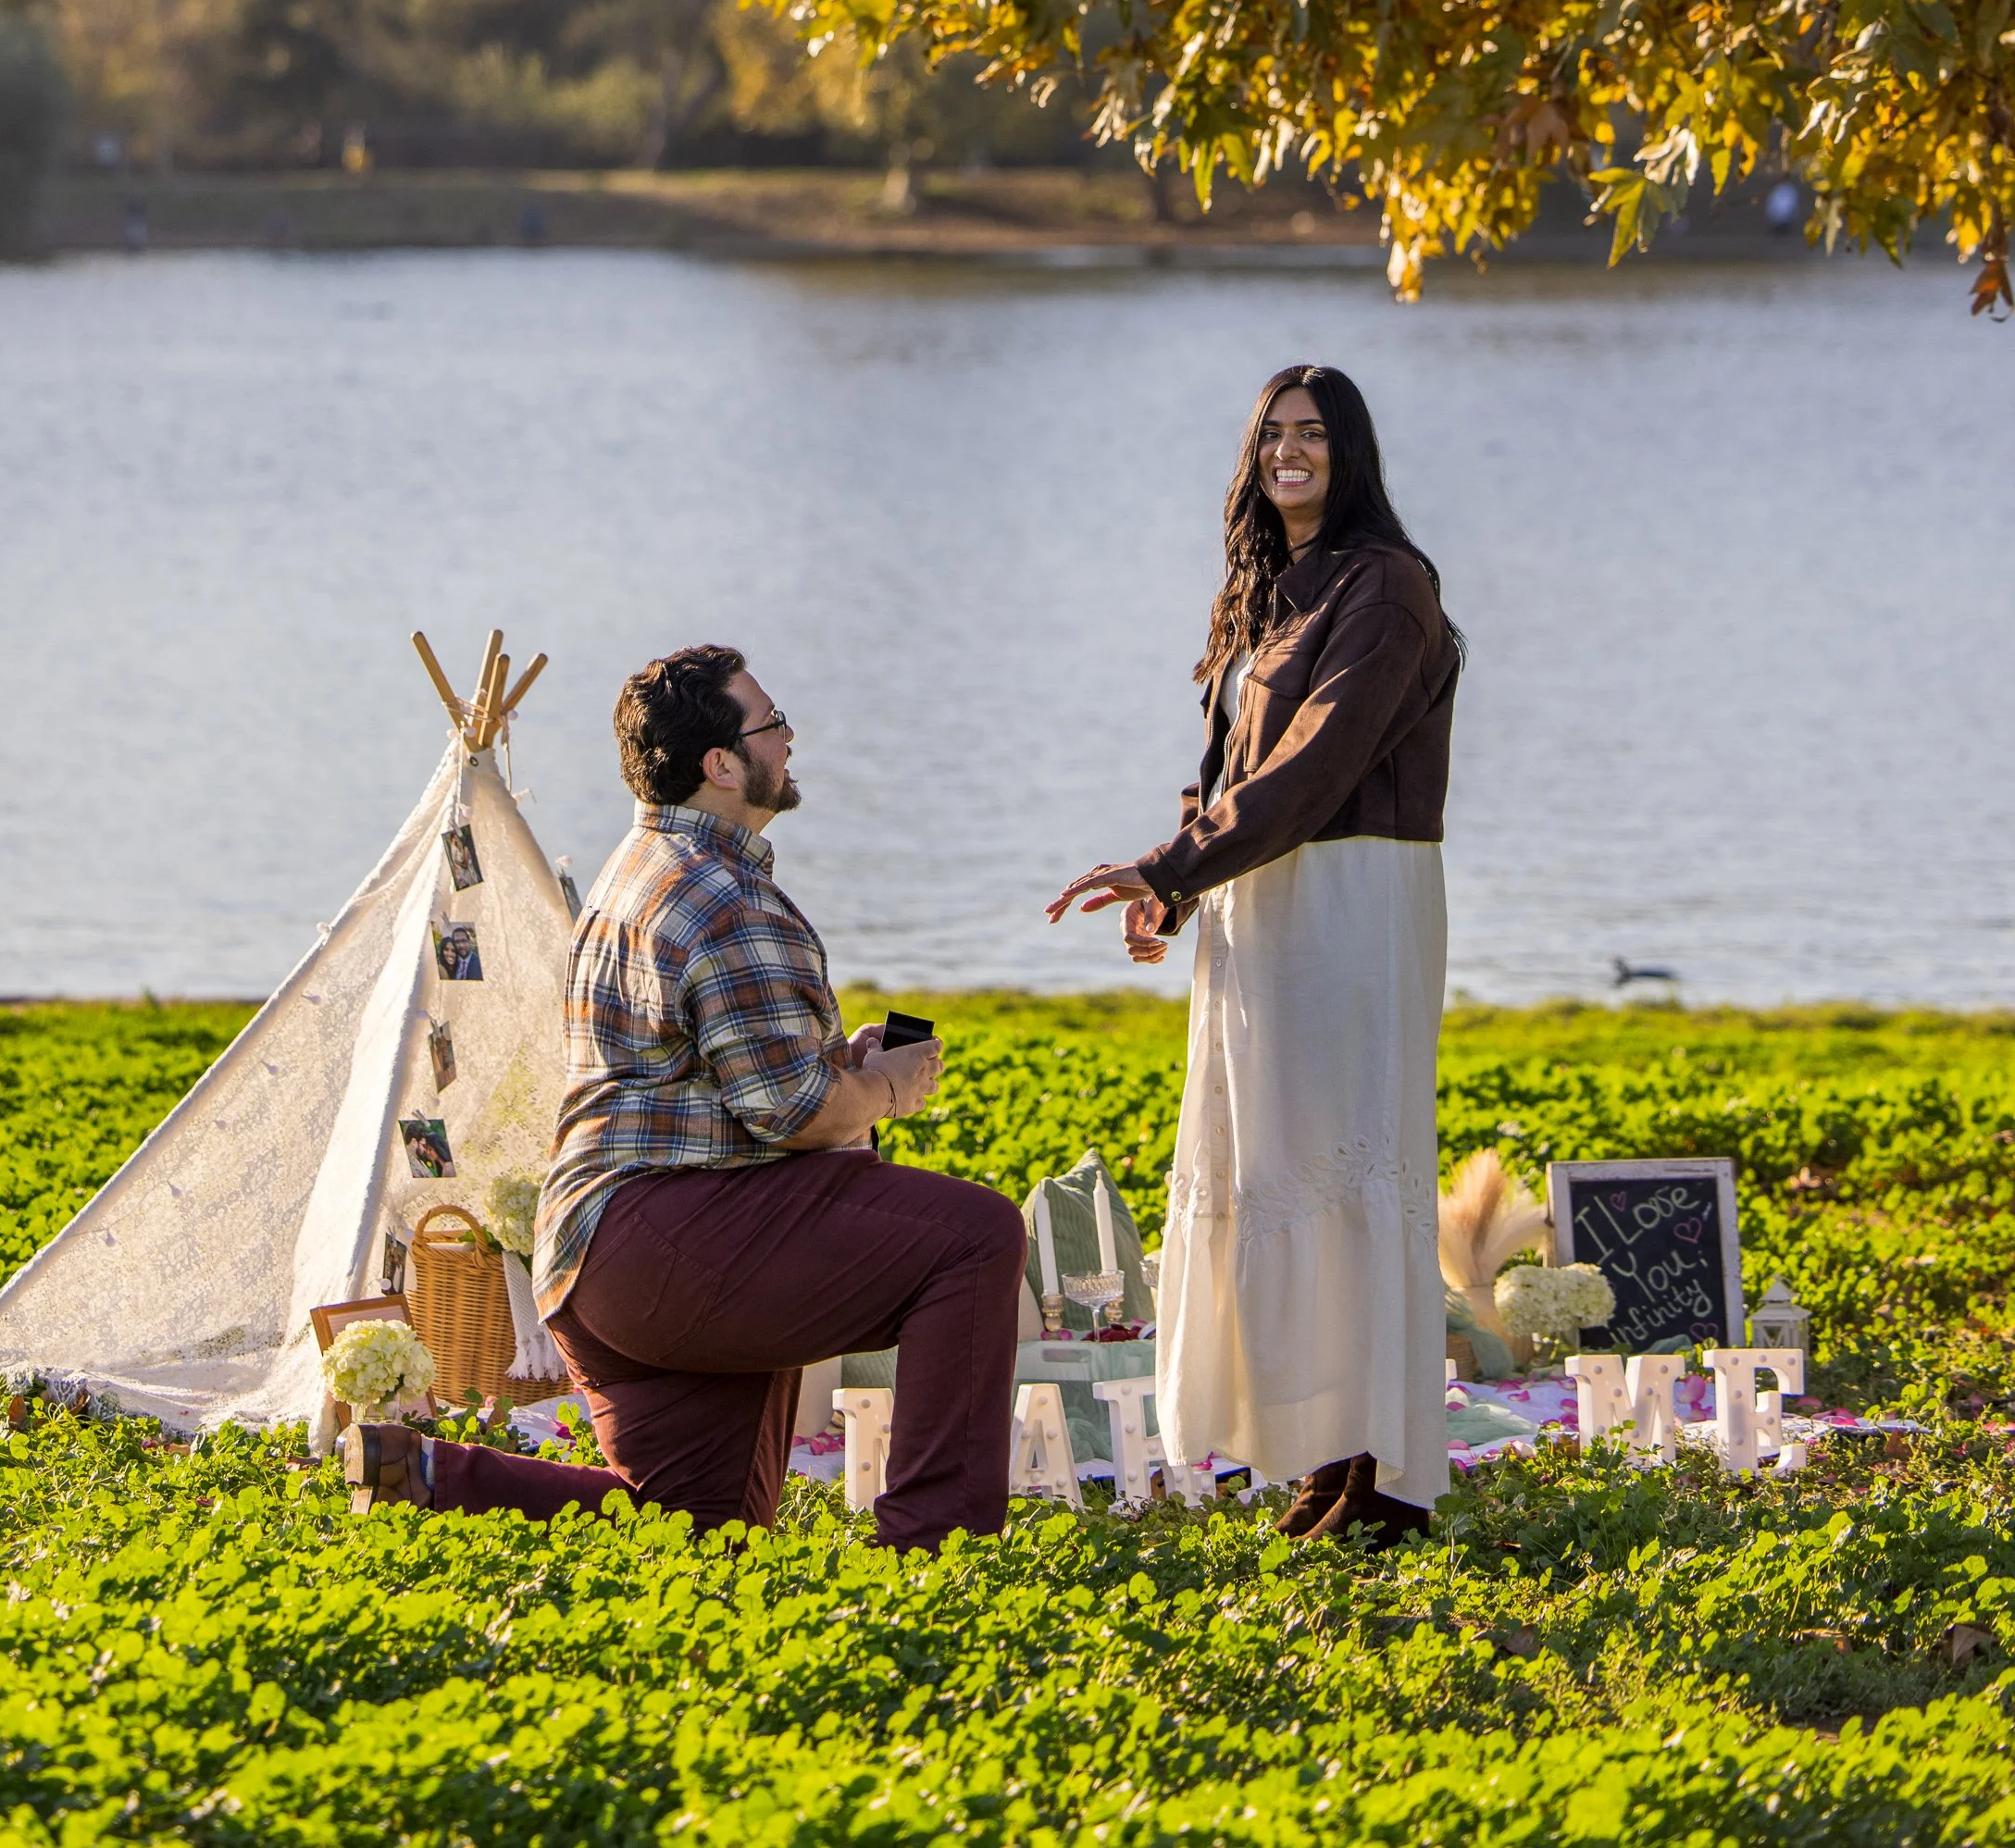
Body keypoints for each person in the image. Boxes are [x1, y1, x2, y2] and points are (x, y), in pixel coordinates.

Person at [347, 643, 1027, 1546]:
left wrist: (848, 1066)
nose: (788, 740)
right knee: (976, 1238)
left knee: (702, 1530)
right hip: (680, 1242)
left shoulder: (635, 870)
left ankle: (430, 1472)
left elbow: (728, 1074)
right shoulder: (725, 895)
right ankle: (932, 1546)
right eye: (772, 723)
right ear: (721, 763)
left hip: (589, 1262)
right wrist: (888, 1089)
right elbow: (793, 1113)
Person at [1046, 364, 1460, 1547]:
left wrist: (1175, 866)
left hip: (1349, 901)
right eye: (1274, 433)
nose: (1292, 451)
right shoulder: (1271, 589)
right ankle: (1324, 1456)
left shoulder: (1387, 586)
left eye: (1314, 435)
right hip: (1260, 899)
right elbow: (1232, 763)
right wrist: (1177, 888)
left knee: (1348, 1171)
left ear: (1352, 452)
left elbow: (1320, 766)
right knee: (1275, 1168)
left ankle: (1386, 1479)